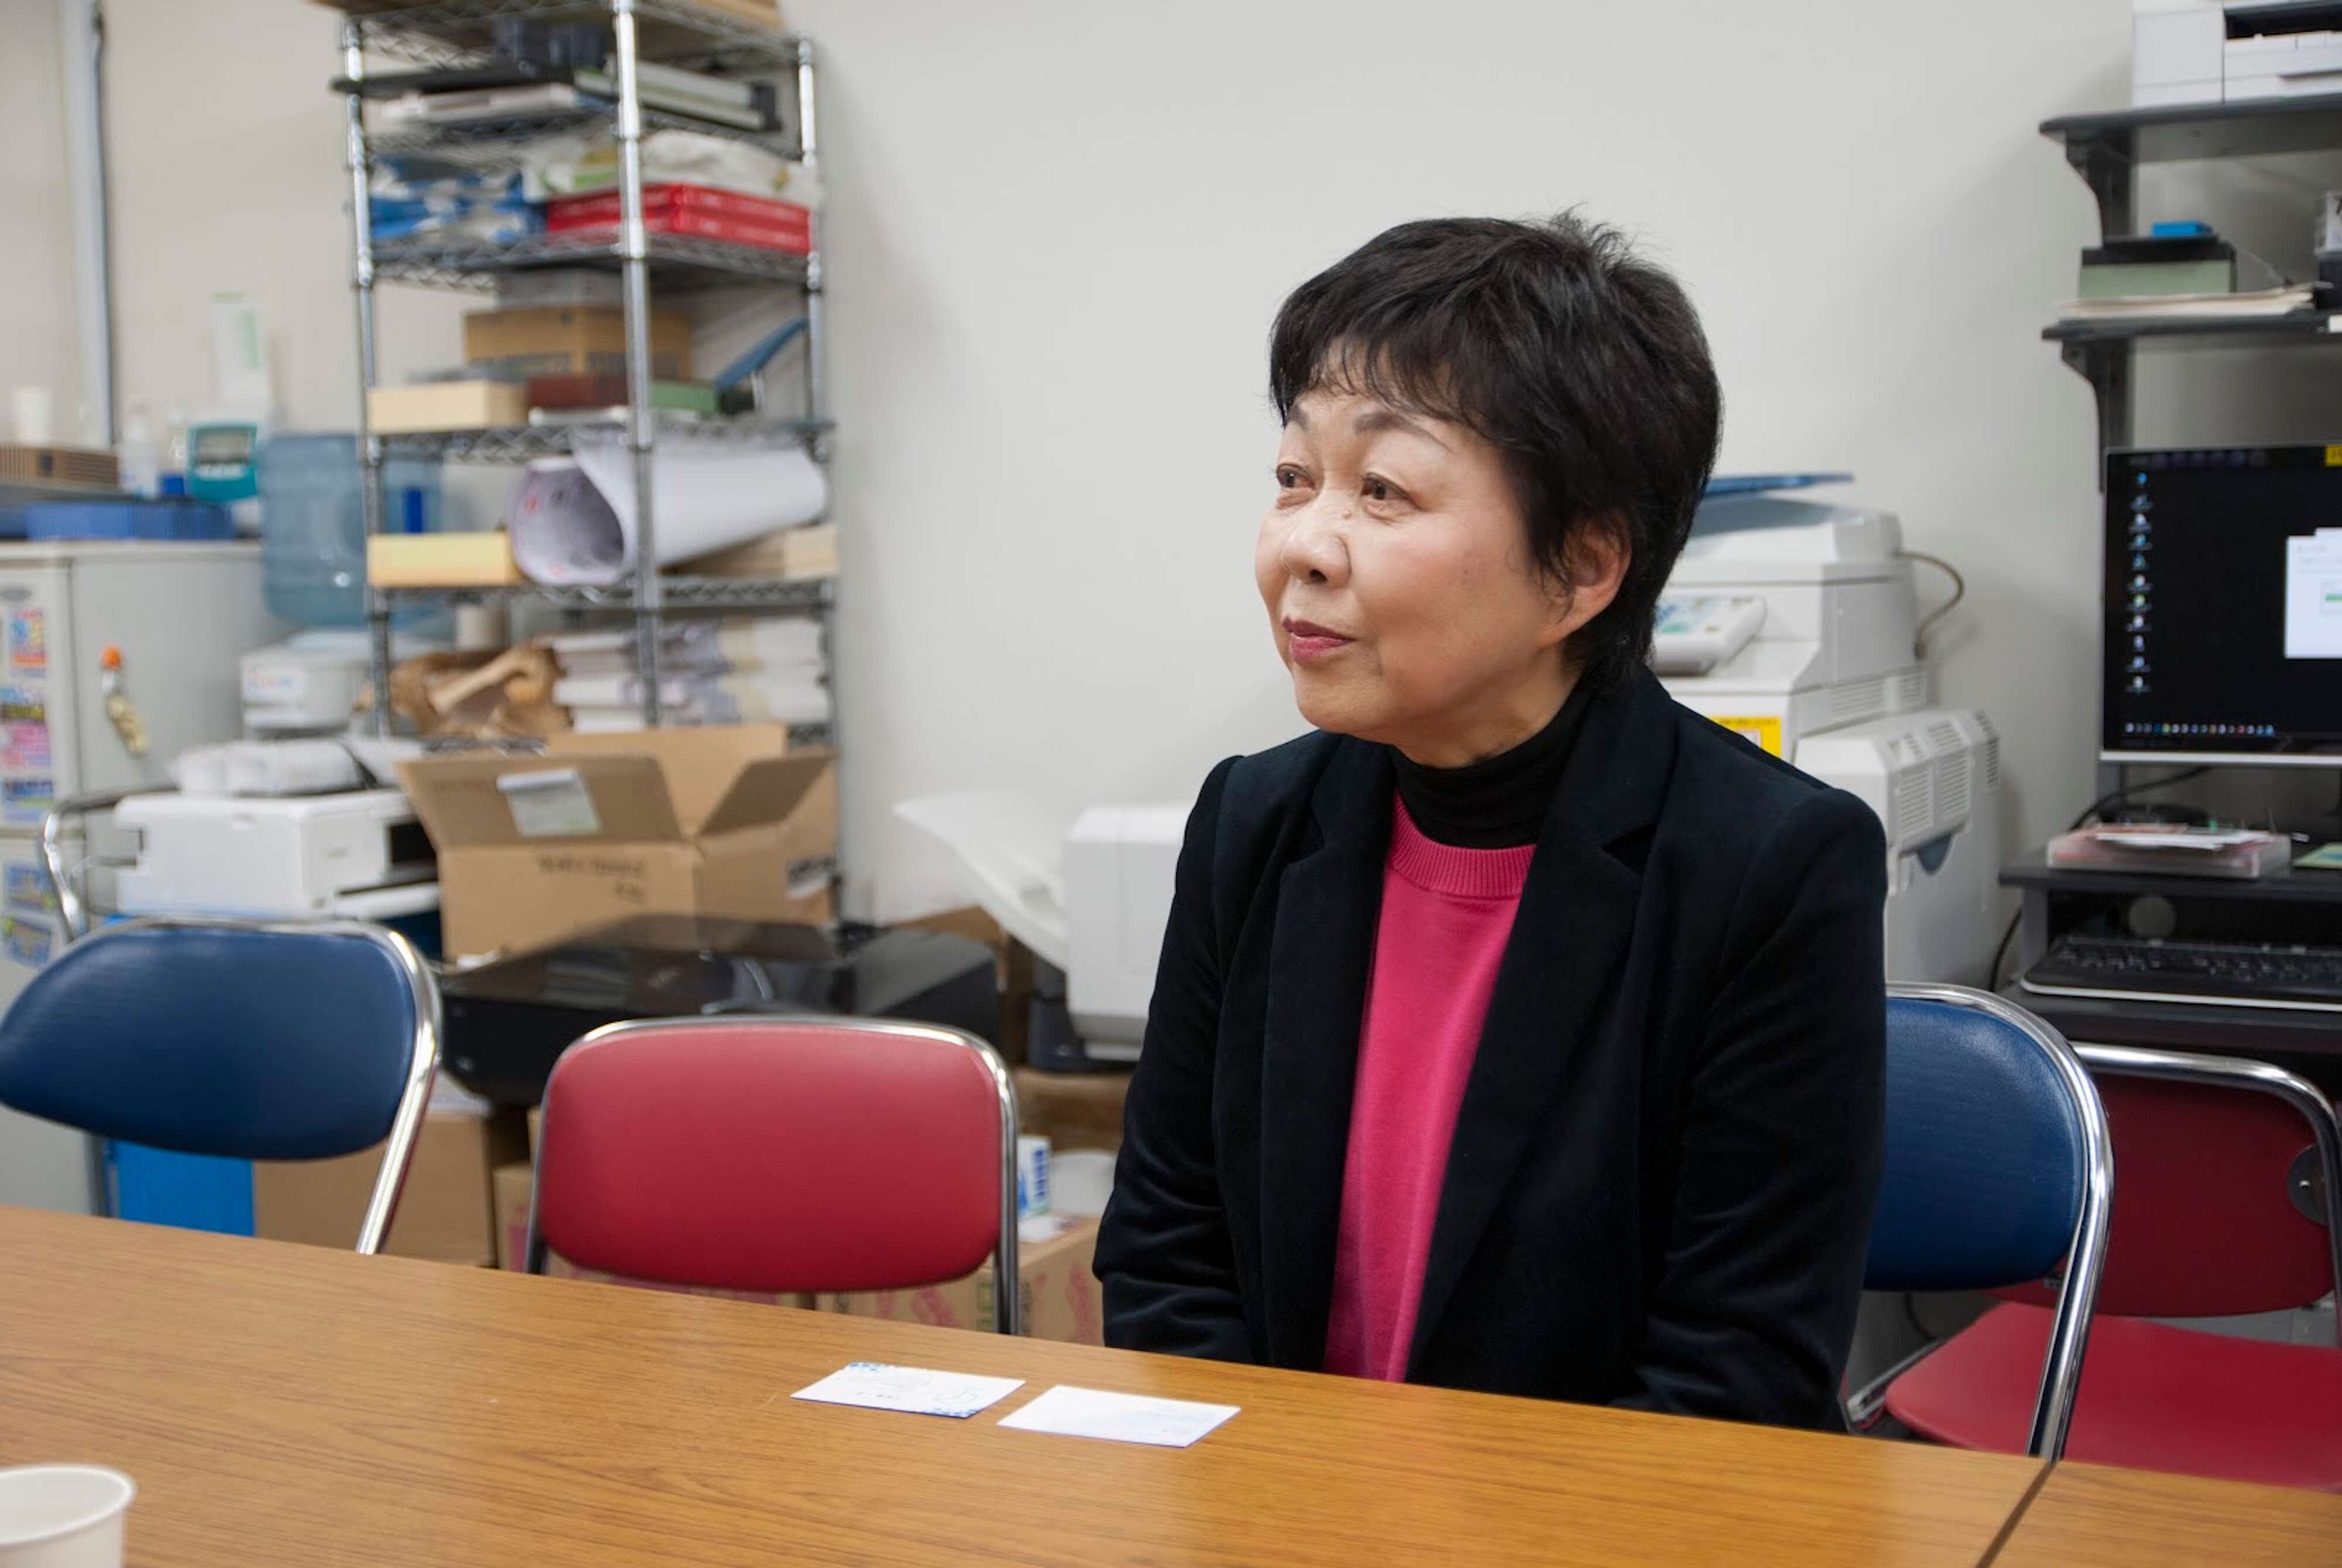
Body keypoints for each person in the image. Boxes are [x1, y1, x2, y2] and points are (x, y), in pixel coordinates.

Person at [1092, 213, 1887, 1431]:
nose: (1301, 545)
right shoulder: (1253, 821)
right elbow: (1166, 1260)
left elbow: (1732, 1375)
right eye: (1294, 478)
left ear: (1579, 570)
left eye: (1383, 488)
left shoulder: (1764, 866)